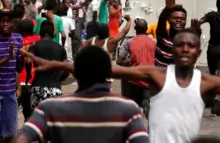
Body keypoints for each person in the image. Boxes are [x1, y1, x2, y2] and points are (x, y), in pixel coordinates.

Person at [24, 29, 220, 143]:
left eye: (191, 46)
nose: (186, 49)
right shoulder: (158, 75)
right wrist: (59, 64)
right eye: (181, 45)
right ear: (173, 50)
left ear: (198, 51)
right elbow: (107, 67)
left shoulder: (208, 82)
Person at [16, 46, 149, 143]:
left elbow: (23, 138)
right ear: (109, 74)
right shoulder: (128, 108)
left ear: (76, 73)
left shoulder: (49, 107)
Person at [117, 18, 156, 115]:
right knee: (146, 102)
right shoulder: (154, 42)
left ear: (135, 28)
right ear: (146, 29)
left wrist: (129, 61)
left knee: (131, 108)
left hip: (134, 79)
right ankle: (147, 112)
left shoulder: (129, 42)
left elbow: (119, 61)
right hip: (148, 78)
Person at [27, 20, 68, 111]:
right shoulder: (60, 48)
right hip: (54, 89)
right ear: (53, 33)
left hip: (38, 88)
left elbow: (28, 61)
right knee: (53, 120)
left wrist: (28, 76)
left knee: (37, 119)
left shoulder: (34, 46)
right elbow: (66, 70)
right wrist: (59, 79)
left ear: (41, 32)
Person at [0, 9, 22, 143]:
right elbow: (10, 59)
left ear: (12, 23)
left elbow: (17, 68)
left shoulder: (18, 38)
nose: (5, 24)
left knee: (11, 133)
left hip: (10, 92)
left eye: (8, 21)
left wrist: (24, 59)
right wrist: (9, 57)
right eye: (2, 21)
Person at [15, 19, 38, 120]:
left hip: (17, 82)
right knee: (29, 113)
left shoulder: (15, 41)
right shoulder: (38, 40)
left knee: (12, 111)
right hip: (31, 81)